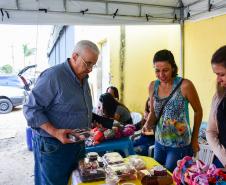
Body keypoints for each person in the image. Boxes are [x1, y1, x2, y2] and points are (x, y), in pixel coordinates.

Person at [23, 40, 99, 185]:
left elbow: (77, 109)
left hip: (78, 145)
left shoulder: (83, 77)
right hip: (54, 147)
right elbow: (31, 109)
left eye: (93, 65)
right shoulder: (53, 76)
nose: (90, 69)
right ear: (75, 56)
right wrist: (55, 131)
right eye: (88, 63)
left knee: (76, 181)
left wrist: (91, 120)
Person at [142, 49, 203, 172]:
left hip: (179, 144)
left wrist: (195, 138)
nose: (161, 75)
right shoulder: (153, 86)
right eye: (157, 71)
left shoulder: (185, 85)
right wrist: (147, 124)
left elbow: (198, 111)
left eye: (165, 70)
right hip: (159, 141)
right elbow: (153, 112)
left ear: (173, 68)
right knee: (157, 174)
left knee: (172, 176)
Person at [206, 45, 226, 168]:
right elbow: (210, 131)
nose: (218, 79)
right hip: (221, 161)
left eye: (222, 74)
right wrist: (223, 156)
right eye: (216, 74)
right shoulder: (218, 97)